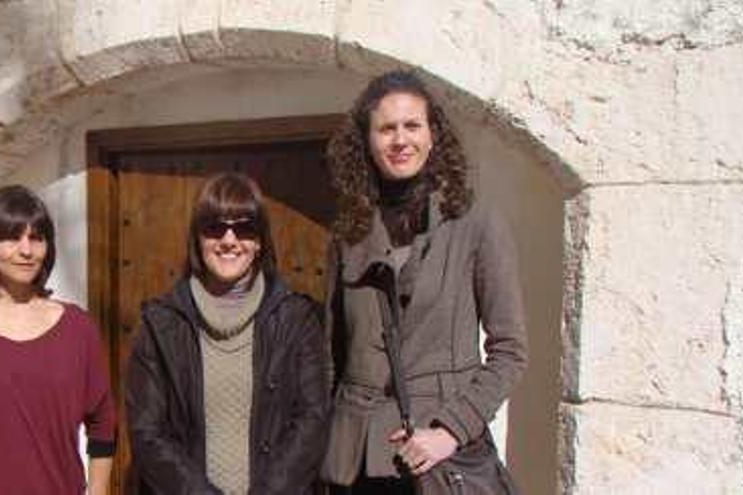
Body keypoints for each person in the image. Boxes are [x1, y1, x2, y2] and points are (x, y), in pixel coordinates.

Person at [321, 70, 529, 493]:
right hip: (357, 464)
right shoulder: (348, 235)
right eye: (386, 128)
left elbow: (510, 352)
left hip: (438, 457)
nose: (400, 140)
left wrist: (451, 429)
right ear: (367, 142)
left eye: (412, 125)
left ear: (433, 135)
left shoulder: (475, 222)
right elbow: (333, 356)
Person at [126, 172, 329, 494]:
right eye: (215, 227)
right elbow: (147, 433)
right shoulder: (160, 325)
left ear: (260, 240)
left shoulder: (297, 320)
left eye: (244, 228)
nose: (229, 240)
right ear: (197, 239)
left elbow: (312, 419)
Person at [0, 184, 116, 494]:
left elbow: (103, 422)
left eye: (37, 238)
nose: (26, 250)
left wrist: (99, 491)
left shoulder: (77, 328)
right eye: (12, 237)